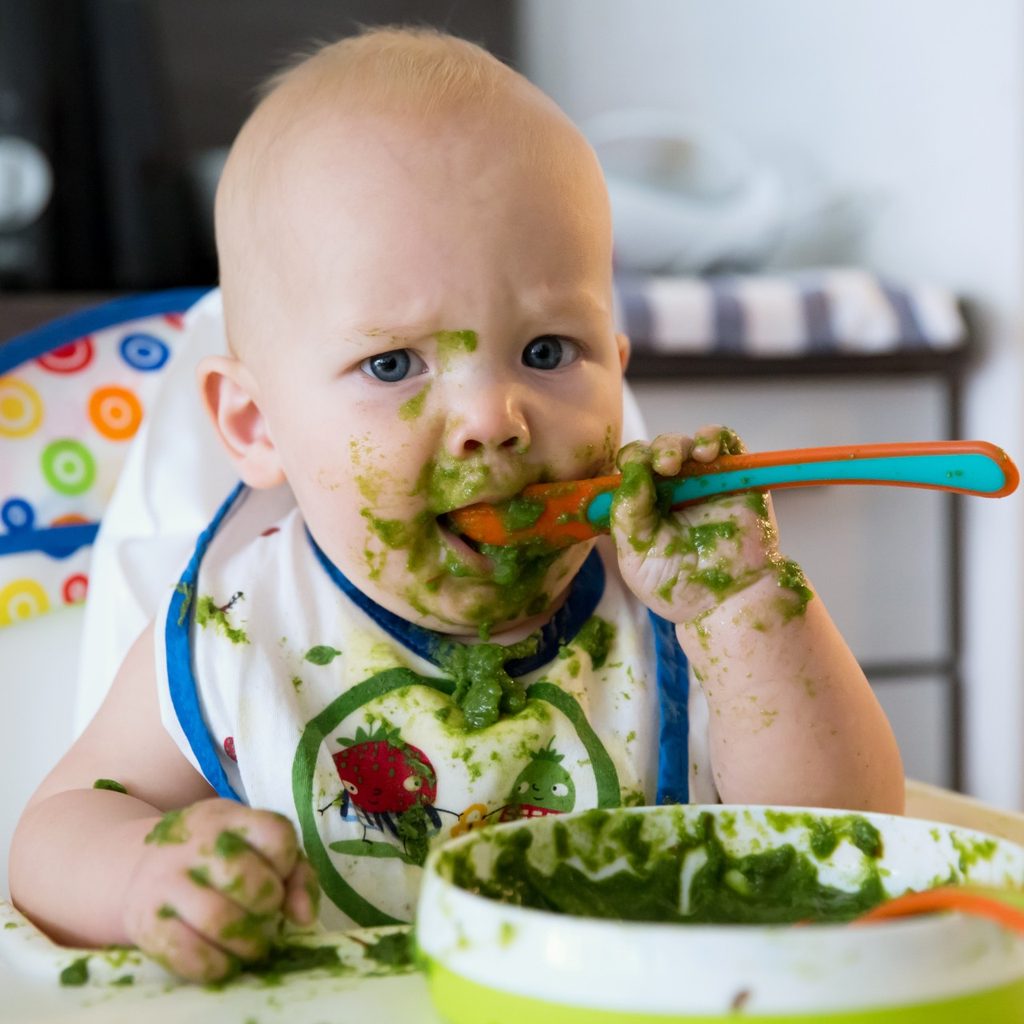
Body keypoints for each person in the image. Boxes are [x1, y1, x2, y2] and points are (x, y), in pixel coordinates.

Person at [9, 27, 904, 982]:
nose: (491, 418)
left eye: (548, 351)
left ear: (617, 372)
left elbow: (849, 841)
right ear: (256, 424)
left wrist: (748, 610)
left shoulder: (676, 613)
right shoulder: (237, 629)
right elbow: (57, 833)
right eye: (393, 363)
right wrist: (148, 876)